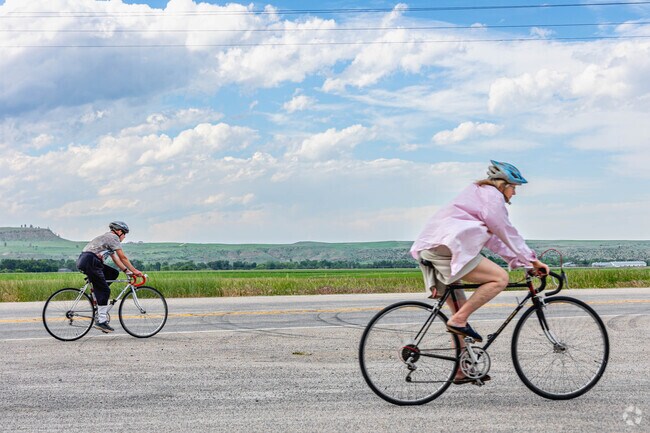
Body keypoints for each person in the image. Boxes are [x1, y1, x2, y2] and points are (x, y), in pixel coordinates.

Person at [410, 160, 549, 383]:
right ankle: (460, 320)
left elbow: (496, 240)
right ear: (502, 184)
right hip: (446, 250)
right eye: (514, 187)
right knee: (499, 278)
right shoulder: (492, 197)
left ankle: (460, 369)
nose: (514, 193)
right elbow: (506, 231)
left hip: (434, 248)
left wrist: (524, 262)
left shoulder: (478, 195)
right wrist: (532, 261)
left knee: (457, 316)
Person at [76, 221, 143, 333]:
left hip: (86, 260)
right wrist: (135, 271)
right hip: (91, 261)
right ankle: (101, 321)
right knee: (105, 290)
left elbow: (116, 259)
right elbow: (123, 257)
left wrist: (127, 271)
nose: (124, 236)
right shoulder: (113, 237)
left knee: (113, 273)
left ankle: (98, 296)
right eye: (124, 233)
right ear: (118, 231)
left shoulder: (107, 238)